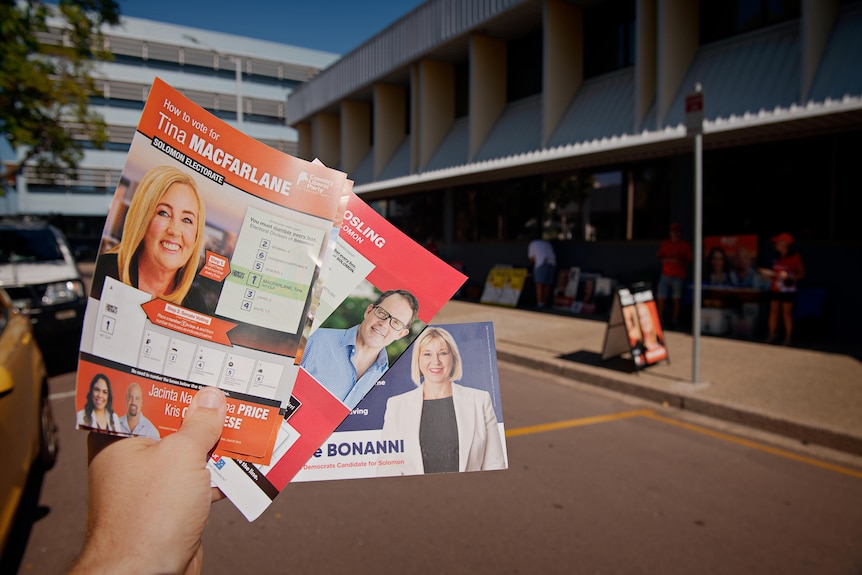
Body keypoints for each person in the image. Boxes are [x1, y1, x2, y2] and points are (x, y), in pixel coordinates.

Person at [69, 386, 227, 575]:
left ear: (142, 401)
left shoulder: (149, 429)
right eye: (131, 398)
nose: (134, 402)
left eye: (137, 398)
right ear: (126, 399)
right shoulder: (117, 425)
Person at [378, 327, 506, 475]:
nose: (436, 361)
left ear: (453, 358)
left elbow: (495, 463)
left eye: (443, 353)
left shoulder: (480, 400)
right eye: (427, 354)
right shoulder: (397, 405)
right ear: (418, 360)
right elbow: (387, 468)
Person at [91, 165, 208, 312]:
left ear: (197, 235)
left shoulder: (195, 305)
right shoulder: (103, 273)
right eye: (164, 213)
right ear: (142, 219)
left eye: (187, 220)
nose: (174, 230)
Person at [301, 289, 419, 409]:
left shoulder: (386, 386)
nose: (384, 324)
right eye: (382, 313)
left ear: (401, 334)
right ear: (368, 311)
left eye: (396, 323)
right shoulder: (313, 341)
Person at [759, 232, 805, 345]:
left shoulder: (795, 257)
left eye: (778, 242)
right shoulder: (776, 257)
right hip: (775, 288)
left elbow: (801, 274)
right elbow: (775, 273)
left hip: (788, 290)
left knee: (786, 313)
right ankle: (771, 336)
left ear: (786, 244)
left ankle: (788, 339)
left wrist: (789, 276)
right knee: (773, 312)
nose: (776, 244)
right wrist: (768, 274)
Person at [656, 222, 692, 326]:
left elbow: (689, 260)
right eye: (673, 232)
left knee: (676, 298)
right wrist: (668, 260)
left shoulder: (684, 245)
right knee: (661, 296)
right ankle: (659, 319)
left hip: (678, 276)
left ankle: (675, 320)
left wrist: (679, 261)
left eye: (677, 232)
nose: (675, 234)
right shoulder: (665, 243)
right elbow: (660, 257)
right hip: (665, 274)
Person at [527, 235, 556, 308]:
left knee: (539, 283)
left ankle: (540, 303)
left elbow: (531, 258)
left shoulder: (532, 244)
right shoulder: (547, 243)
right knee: (547, 284)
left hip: (541, 263)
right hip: (552, 263)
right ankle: (544, 303)